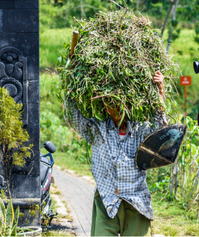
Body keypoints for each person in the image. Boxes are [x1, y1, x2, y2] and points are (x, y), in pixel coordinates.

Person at [65, 71, 167, 236]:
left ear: (130, 103)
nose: (117, 106)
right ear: (105, 105)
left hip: (136, 200)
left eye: (121, 101)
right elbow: (73, 117)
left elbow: (160, 129)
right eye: (111, 102)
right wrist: (72, 81)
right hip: (107, 199)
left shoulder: (140, 130)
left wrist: (160, 92)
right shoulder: (98, 130)